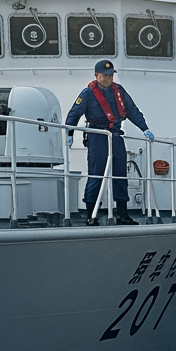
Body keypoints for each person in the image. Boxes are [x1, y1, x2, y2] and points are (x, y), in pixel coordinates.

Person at [64, 59, 155, 226]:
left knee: (120, 174)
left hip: (116, 136)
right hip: (97, 136)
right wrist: (69, 133)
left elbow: (132, 111)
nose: (108, 78)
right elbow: (74, 114)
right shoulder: (87, 94)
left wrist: (145, 128)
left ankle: (122, 214)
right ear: (96, 76)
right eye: (104, 76)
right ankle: (91, 215)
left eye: (110, 75)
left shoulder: (119, 91)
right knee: (96, 174)